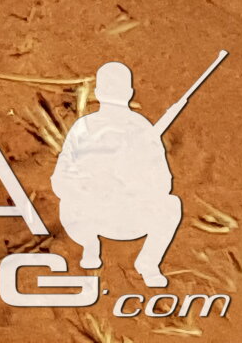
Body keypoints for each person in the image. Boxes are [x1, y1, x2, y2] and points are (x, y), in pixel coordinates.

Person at [53, 58, 196, 288]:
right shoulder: (84, 129)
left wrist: (130, 181)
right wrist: (88, 185)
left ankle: (148, 263)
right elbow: (60, 180)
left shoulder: (142, 130)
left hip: (127, 215)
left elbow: (163, 184)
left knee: (170, 205)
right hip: (89, 213)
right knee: (69, 202)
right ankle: (90, 245)